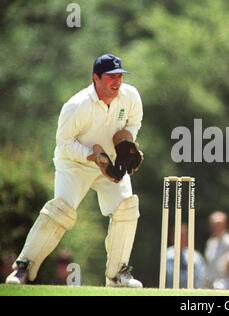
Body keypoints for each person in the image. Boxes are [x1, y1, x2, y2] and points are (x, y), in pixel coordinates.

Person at [5, 54, 144, 288]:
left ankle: (117, 275)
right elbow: (64, 142)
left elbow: (133, 123)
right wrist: (93, 156)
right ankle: (23, 268)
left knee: (126, 208)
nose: (117, 82)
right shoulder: (78, 105)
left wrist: (125, 143)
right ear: (95, 78)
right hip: (75, 163)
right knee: (60, 211)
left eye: (119, 76)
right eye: (111, 77)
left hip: (110, 164)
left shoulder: (130, 96)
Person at [204, 211, 229, 288]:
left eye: (218, 224)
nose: (216, 227)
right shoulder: (210, 242)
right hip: (210, 283)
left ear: (225, 224)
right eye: (213, 224)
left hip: (224, 285)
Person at [166, 223, 206, 289]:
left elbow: (201, 276)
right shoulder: (166, 255)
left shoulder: (196, 256)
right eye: (179, 235)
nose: (182, 238)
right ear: (172, 237)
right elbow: (168, 276)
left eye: (184, 235)